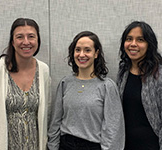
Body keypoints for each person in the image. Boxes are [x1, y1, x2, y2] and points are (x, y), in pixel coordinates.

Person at [48, 31, 125, 150]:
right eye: (78, 50)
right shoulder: (65, 83)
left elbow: (113, 129)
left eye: (87, 50)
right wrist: (52, 147)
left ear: (96, 53)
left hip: (93, 146)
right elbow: (55, 122)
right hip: (66, 145)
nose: (81, 54)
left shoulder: (107, 86)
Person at [0, 18, 51, 150]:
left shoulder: (43, 70)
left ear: (38, 40)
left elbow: (46, 112)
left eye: (31, 36)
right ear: (13, 42)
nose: (26, 42)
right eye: (20, 37)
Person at [117, 21, 162, 150]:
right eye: (129, 39)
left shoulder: (159, 75)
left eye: (140, 40)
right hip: (125, 145)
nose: (133, 44)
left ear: (149, 44)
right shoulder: (123, 72)